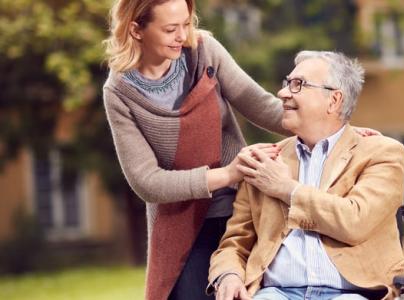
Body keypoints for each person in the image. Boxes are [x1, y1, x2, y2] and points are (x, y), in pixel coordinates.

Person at [101, 1, 376, 299]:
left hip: (240, 208)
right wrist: (229, 173)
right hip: (182, 221)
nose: (183, 35)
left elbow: (260, 105)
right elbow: (147, 182)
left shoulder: (204, 51)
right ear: (136, 29)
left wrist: (334, 128)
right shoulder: (119, 92)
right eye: (170, 29)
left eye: (187, 23)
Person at [207, 51, 404, 300]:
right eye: (286, 83)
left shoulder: (382, 153)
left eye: (298, 84)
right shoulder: (265, 159)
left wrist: (286, 188)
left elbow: (355, 221)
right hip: (275, 293)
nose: (282, 93)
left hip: (350, 294)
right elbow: (235, 242)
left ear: (334, 100)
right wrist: (228, 274)